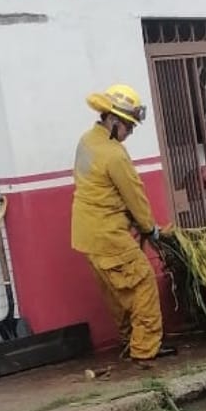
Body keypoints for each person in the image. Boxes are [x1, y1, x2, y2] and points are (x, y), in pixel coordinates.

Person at [71, 84, 177, 364]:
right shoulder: (114, 154)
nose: (129, 133)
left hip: (87, 235)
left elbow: (97, 186)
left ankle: (130, 341)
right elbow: (134, 195)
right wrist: (149, 227)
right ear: (113, 120)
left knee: (117, 292)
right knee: (142, 283)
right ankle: (144, 350)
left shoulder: (87, 141)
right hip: (109, 235)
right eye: (128, 126)